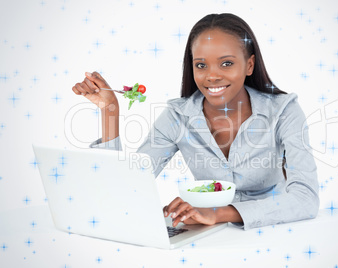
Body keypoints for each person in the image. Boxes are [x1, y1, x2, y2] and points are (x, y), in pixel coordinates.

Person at [72, 13, 319, 231]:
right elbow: (122, 188)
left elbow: (305, 199)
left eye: (227, 63)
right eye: (201, 65)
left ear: (249, 65)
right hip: (203, 237)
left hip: (276, 231)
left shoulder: (284, 111)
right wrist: (110, 111)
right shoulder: (177, 117)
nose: (211, 76)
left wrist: (218, 214)